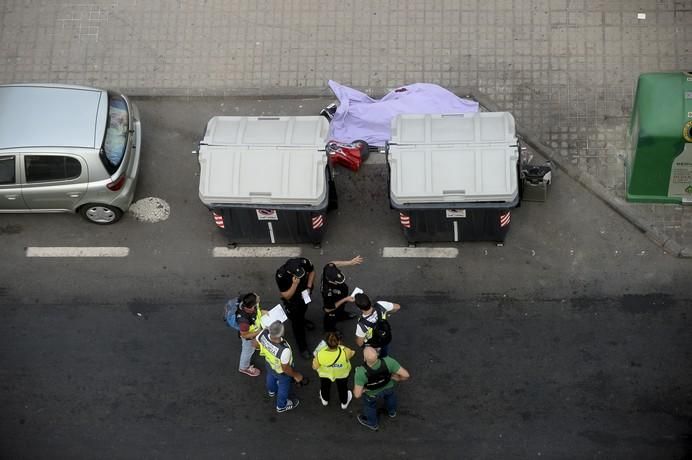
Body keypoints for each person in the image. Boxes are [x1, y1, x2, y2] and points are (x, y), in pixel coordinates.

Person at [353, 346, 410, 431]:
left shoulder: (360, 372)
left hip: (372, 394)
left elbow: (357, 395)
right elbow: (406, 375)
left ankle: (373, 424)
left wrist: (364, 389)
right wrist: (397, 378)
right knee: (390, 398)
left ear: (364, 358)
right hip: (388, 388)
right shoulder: (389, 362)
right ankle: (392, 412)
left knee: (370, 407)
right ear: (377, 354)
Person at [255, 321, 304, 413]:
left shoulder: (263, 334)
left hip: (269, 364)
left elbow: (254, 344)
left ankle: (272, 391)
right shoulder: (284, 350)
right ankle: (281, 405)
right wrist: (296, 375)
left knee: (271, 376)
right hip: (281, 372)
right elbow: (285, 369)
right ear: (282, 333)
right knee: (284, 386)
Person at [276, 257, 316, 359]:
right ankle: (302, 347)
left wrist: (309, 287)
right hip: (293, 301)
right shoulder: (281, 275)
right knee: (297, 325)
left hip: (304, 295)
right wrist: (294, 284)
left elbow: (312, 272)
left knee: (303, 311)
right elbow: (286, 295)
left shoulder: (303, 262)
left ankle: (303, 320)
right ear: (290, 272)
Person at [312, 331, 355, 409]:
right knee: (342, 388)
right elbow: (352, 353)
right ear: (338, 342)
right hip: (342, 374)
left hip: (325, 374)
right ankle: (344, 403)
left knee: (325, 386)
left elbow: (314, 367)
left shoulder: (320, 353)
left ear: (326, 343)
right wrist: (342, 346)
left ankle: (325, 400)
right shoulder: (345, 352)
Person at [320, 255, 363, 331]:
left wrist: (350, 262)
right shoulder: (327, 292)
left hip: (340, 298)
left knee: (341, 309)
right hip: (333, 307)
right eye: (337, 282)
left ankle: (342, 316)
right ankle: (331, 331)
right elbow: (328, 309)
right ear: (330, 281)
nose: (340, 282)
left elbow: (332, 263)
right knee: (331, 320)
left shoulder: (328, 269)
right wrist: (345, 299)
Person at [354, 293, 400, 357]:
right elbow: (397, 307)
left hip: (373, 344)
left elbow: (360, 343)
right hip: (385, 336)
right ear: (369, 300)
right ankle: (384, 357)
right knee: (384, 350)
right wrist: (388, 312)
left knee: (373, 357)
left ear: (359, 308)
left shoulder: (361, 325)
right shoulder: (380, 305)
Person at [236, 292, 264, 377]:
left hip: (254, 333)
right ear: (251, 307)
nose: (258, 297)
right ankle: (244, 367)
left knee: (253, 346)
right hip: (249, 338)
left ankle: (255, 346)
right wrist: (257, 332)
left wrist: (263, 312)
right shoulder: (243, 321)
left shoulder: (249, 301)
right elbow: (244, 335)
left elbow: (257, 311)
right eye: (257, 299)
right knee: (247, 351)